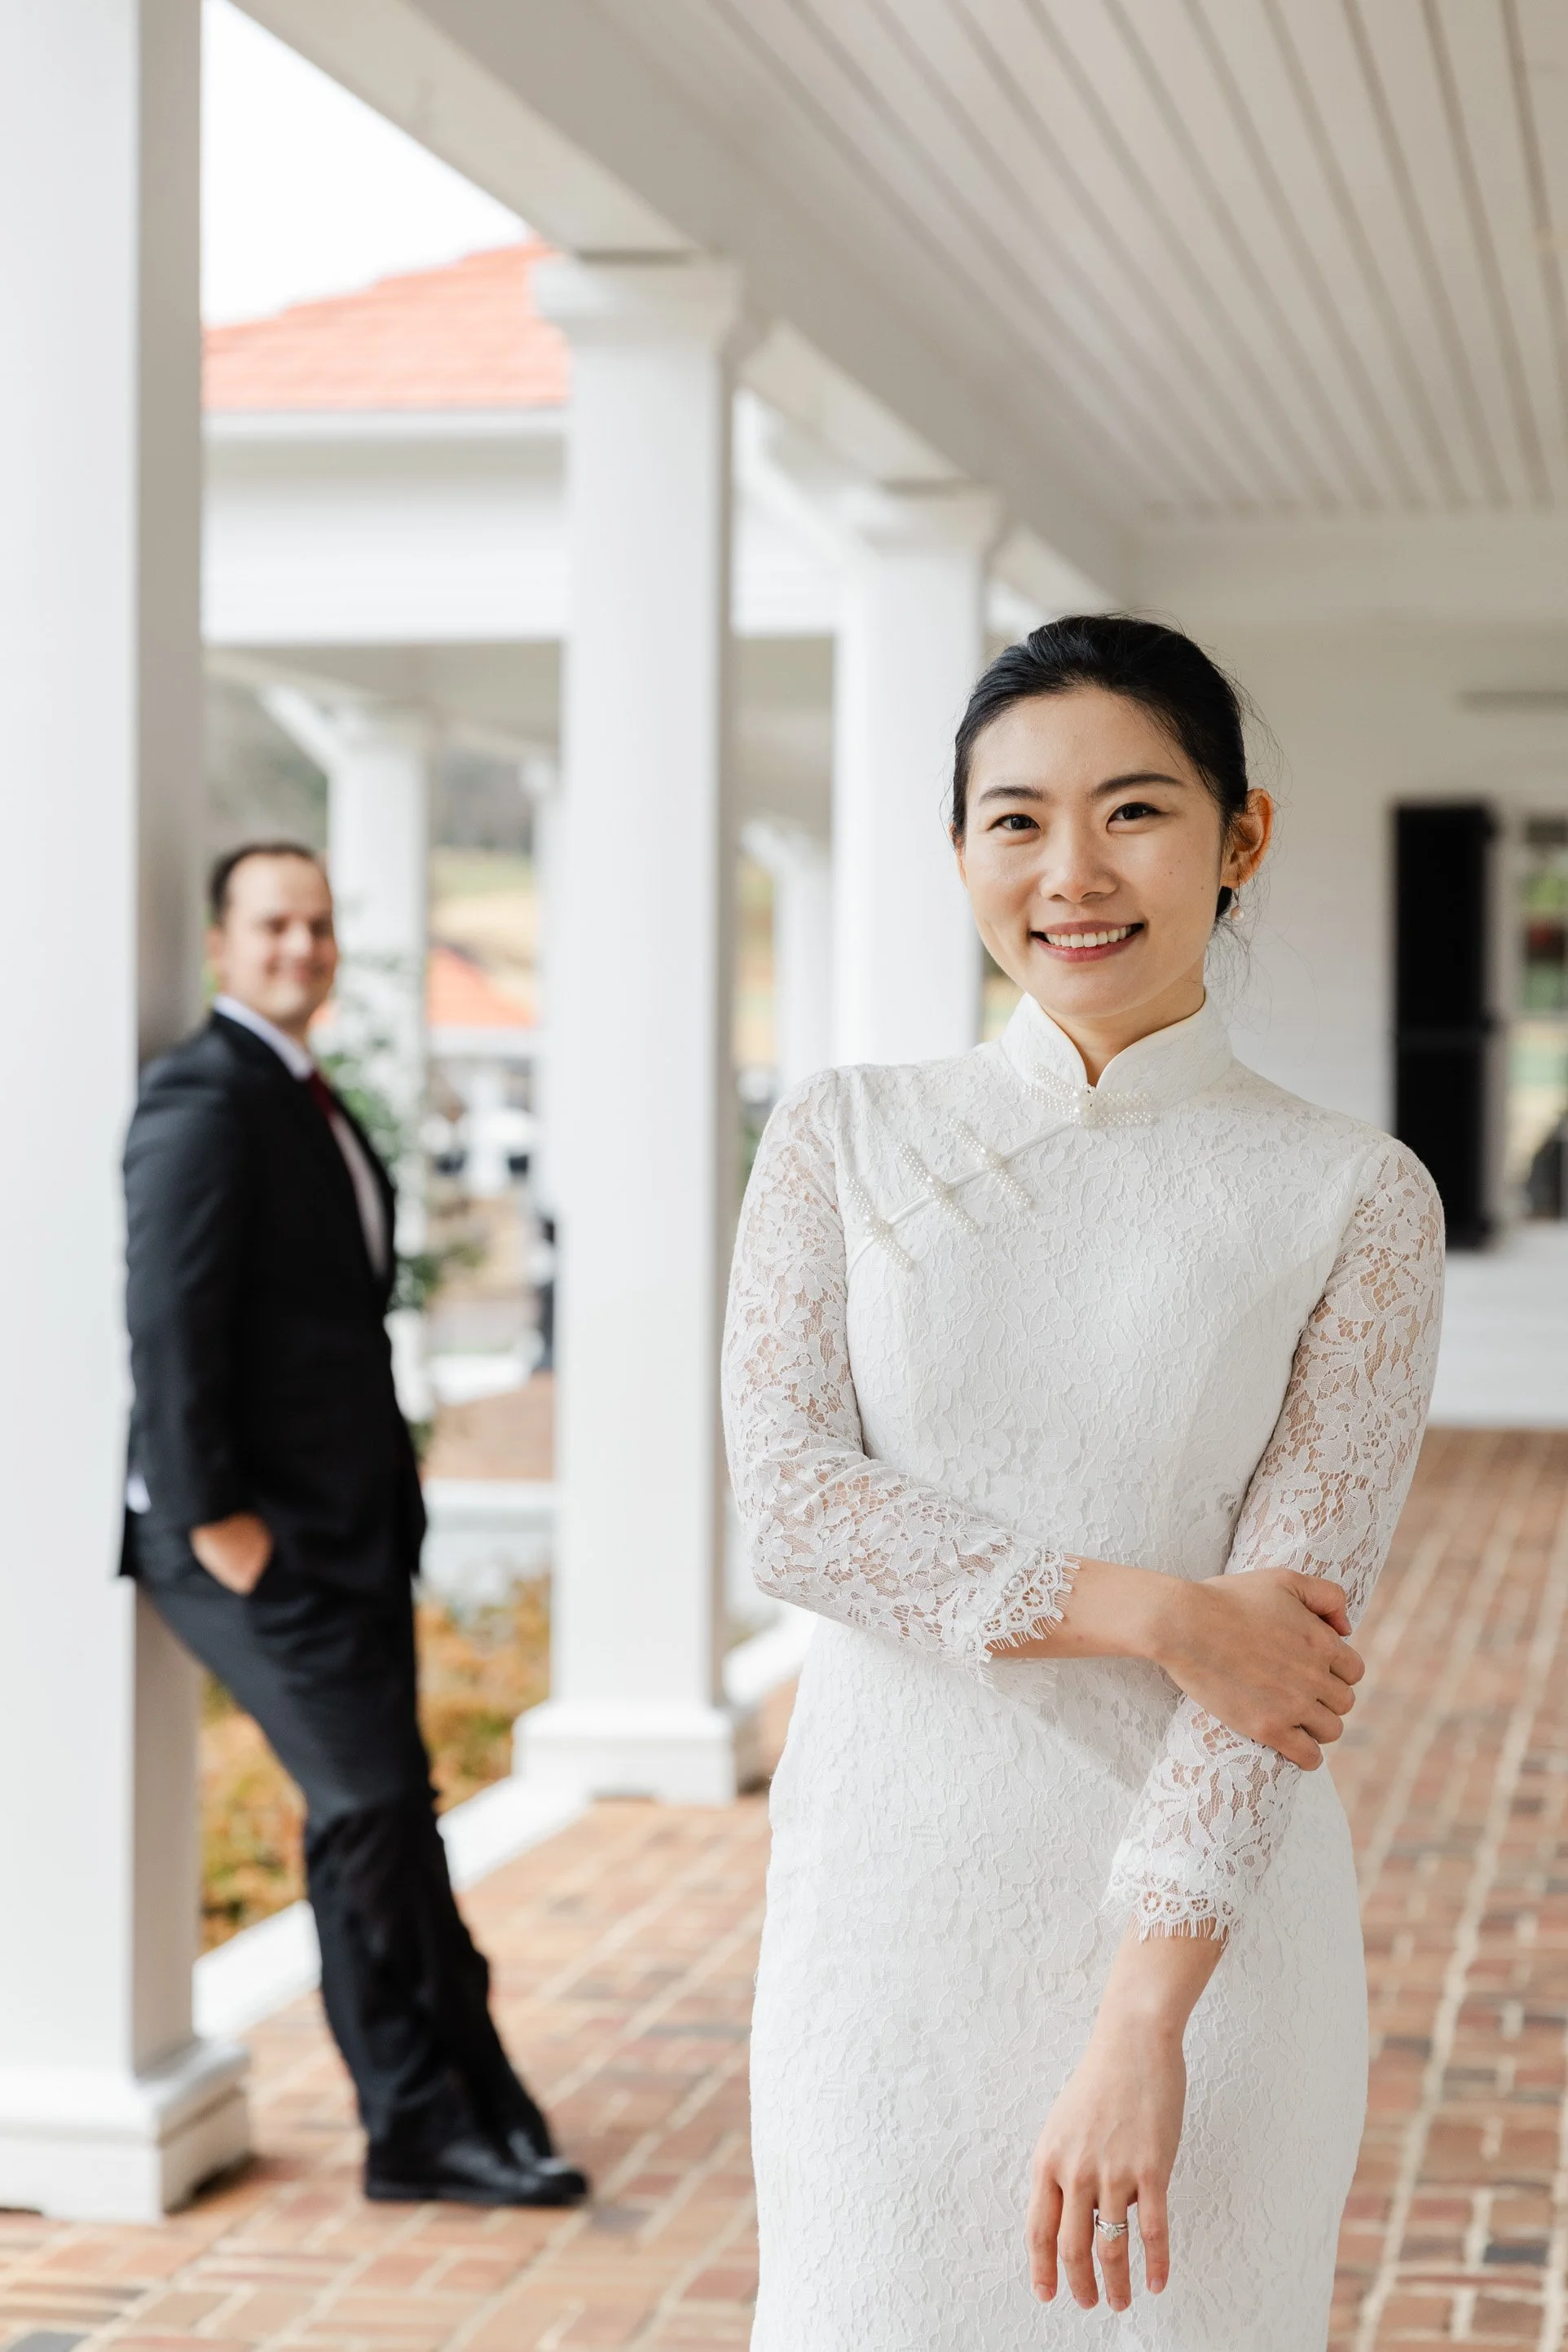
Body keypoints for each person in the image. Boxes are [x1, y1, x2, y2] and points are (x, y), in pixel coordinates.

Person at [723, 618, 1443, 2349]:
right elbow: (791, 1508)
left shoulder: (1352, 1198)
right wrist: (1156, 1611)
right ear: (961, 847)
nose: (1071, 874)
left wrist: (1142, 2024)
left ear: (1237, 837)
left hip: (1204, 1951)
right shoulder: (839, 1134)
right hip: (880, 1925)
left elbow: (1273, 1676)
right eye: (1013, 821)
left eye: (1132, 811)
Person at [123, 841, 587, 2209]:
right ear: (222, 941)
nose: (302, 948)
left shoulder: (304, 1090)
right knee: (377, 1807)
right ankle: (428, 2111)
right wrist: (217, 1523)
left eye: (319, 925)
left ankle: (451, 2108)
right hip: (250, 1542)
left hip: (350, 1527)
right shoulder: (204, 1096)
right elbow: (168, 1321)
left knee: (379, 1823)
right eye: (275, 924)